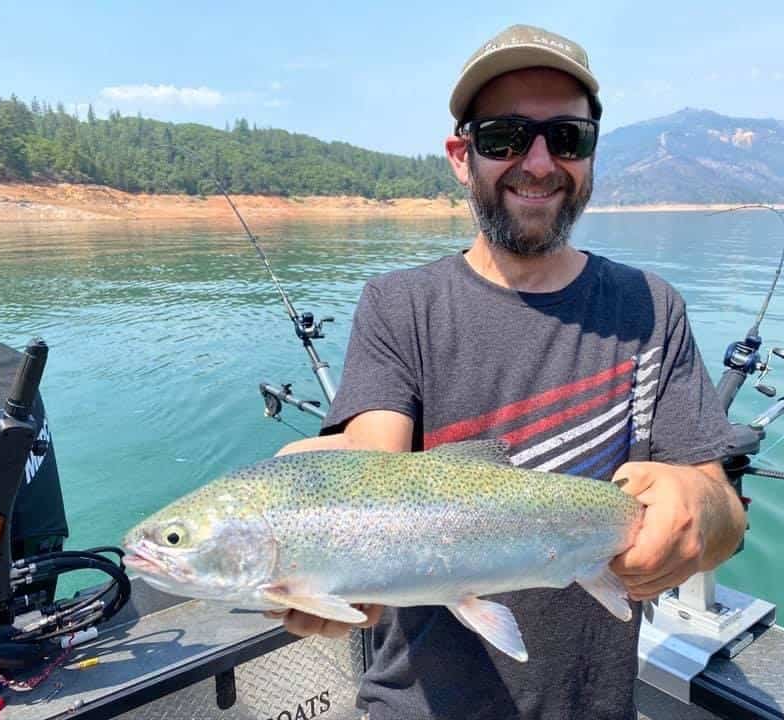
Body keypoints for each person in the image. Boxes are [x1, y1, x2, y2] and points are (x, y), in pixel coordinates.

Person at [274, 24, 746, 720]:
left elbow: (726, 522)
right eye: (502, 138)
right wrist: (328, 558)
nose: (536, 163)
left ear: (591, 155)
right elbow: (372, 467)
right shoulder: (399, 306)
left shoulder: (651, 307)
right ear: (461, 157)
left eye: (566, 139)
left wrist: (695, 508)